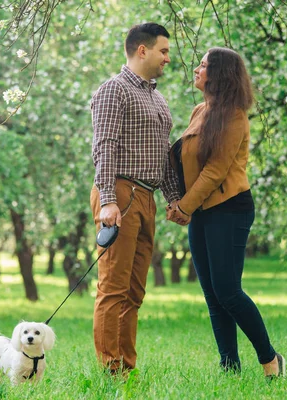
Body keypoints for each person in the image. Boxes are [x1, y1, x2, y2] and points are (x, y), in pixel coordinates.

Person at [167, 47, 284, 379]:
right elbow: (188, 165)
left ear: (218, 75)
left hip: (230, 209)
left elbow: (216, 171)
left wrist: (185, 207)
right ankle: (229, 366)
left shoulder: (234, 116)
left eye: (203, 66)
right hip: (201, 211)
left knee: (228, 290)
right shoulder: (199, 111)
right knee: (213, 296)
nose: (196, 69)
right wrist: (178, 201)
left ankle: (270, 360)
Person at [90, 22, 180, 375]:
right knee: (113, 288)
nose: (168, 59)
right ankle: (110, 371)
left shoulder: (157, 97)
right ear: (142, 50)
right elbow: (105, 146)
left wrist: (173, 198)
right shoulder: (114, 90)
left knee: (134, 292)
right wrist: (109, 199)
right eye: (164, 51)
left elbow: (164, 155)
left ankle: (126, 368)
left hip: (147, 197)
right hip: (120, 193)